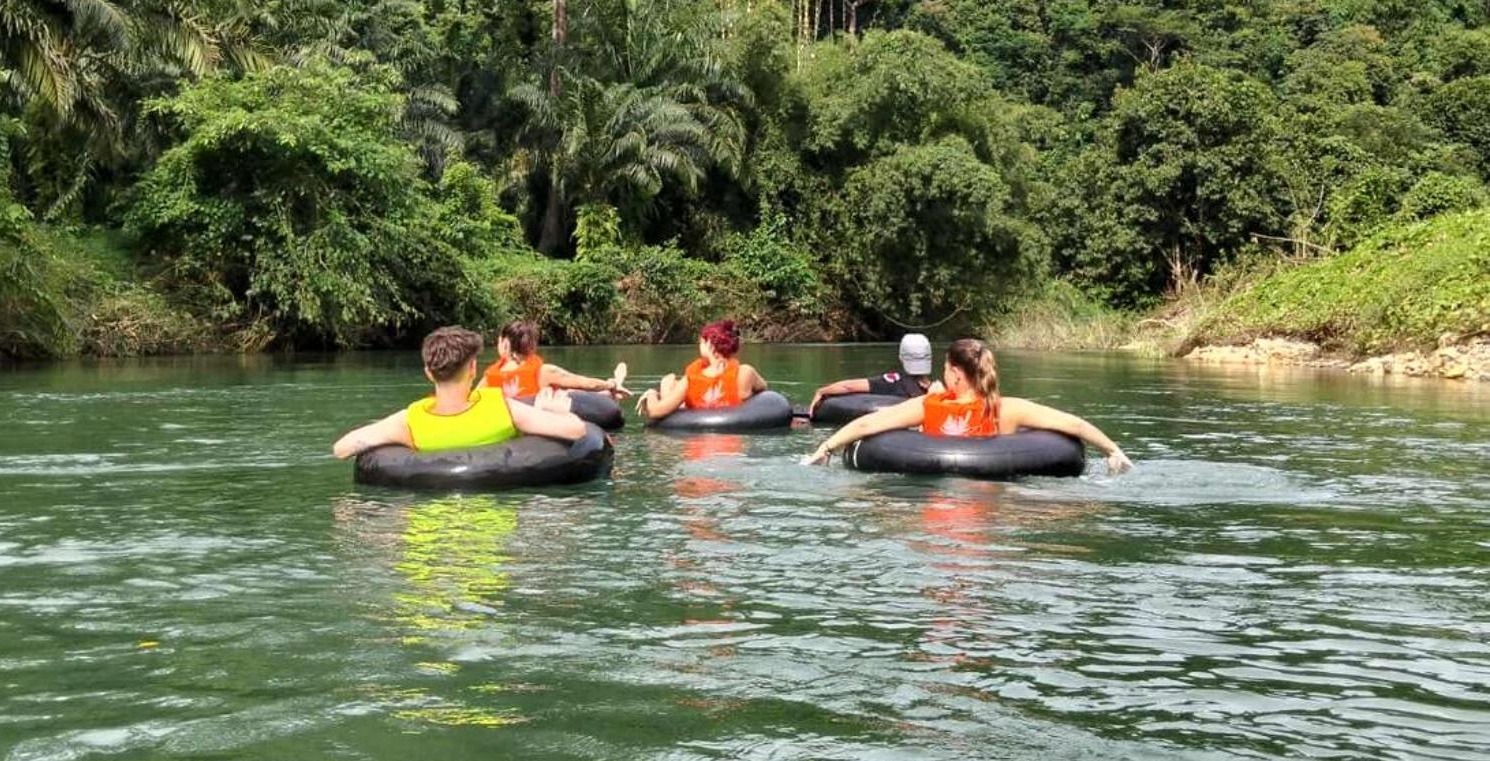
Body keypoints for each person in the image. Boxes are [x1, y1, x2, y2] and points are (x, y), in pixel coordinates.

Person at [803, 337, 1131, 472]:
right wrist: (1113, 451)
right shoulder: (1006, 409)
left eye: (946, 368)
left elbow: (867, 424)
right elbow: (1074, 424)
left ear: (956, 374)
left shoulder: (928, 405)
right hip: (993, 496)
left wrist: (826, 448)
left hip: (928, 492)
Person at [332, 325, 590, 460]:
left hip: (427, 541)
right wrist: (554, 410)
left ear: (429, 373)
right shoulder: (502, 408)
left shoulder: (410, 421)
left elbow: (341, 449)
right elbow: (577, 431)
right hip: (492, 538)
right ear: (473, 369)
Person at [635, 320, 770, 420]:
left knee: (668, 380)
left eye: (701, 342)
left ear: (709, 344)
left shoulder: (691, 379)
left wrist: (651, 394)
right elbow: (763, 389)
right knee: (670, 381)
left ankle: (663, 390)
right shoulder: (745, 372)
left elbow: (655, 412)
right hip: (734, 439)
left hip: (696, 436)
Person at [483, 319, 629, 405]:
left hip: (512, 424)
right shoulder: (545, 372)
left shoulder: (489, 377)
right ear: (531, 345)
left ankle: (614, 386)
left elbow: (473, 398)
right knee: (566, 392)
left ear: (503, 343)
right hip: (538, 421)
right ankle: (616, 384)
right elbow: (588, 384)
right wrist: (611, 385)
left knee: (563, 391)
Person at [809, 332, 934, 417]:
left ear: (901, 358)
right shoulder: (934, 389)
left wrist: (822, 391)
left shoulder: (893, 381)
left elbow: (849, 387)